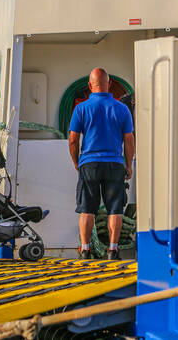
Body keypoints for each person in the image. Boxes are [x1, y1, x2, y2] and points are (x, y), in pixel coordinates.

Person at [68, 68, 135, 260]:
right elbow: (129, 140)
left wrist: (76, 162)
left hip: (89, 163)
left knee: (87, 208)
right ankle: (113, 249)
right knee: (115, 209)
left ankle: (86, 249)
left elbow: (73, 140)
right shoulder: (122, 109)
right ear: (109, 84)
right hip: (114, 164)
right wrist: (128, 165)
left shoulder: (81, 109)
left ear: (90, 86)